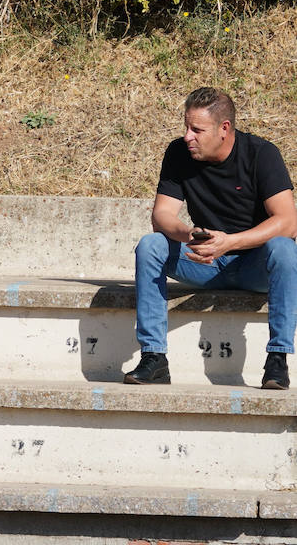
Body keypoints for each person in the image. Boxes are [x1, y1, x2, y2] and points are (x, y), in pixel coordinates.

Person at [125, 87, 297, 389]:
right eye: (186, 127)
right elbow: (161, 215)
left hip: (254, 265)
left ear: (224, 129)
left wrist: (230, 242)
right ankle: (154, 358)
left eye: (197, 129)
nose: (188, 136)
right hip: (202, 261)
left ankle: (277, 359)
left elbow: (288, 222)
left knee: (283, 248)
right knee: (151, 246)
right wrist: (188, 234)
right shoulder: (179, 152)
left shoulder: (261, 154)